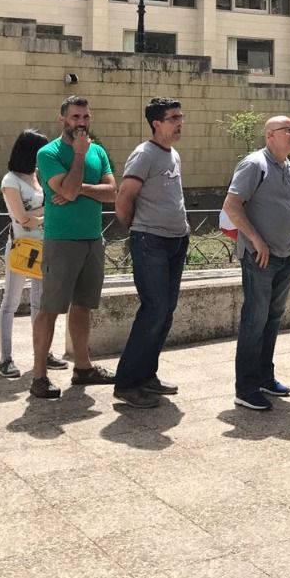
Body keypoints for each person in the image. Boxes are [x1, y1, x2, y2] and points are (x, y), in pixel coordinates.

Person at [30, 96, 117, 400]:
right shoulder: (48, 153)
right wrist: (79, 156)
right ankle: (39, 376)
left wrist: (78, 189)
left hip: (92, 238)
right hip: (61, 241)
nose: (81, 122)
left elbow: (112, 193)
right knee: (50, 309)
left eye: (86, 117)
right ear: (62, 119)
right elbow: (65, 190)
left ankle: (83, 368)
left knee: (83, 306)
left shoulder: (99, 151)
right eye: (75, 117)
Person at [112, 98, 190, 409]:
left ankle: (147, 375)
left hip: (176, 240)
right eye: (173, 118)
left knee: (165, 311)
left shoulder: (173, 154)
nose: (179, 123)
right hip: (150, 241)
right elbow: (124, 196)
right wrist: (137, 229)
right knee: (154, 310)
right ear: (156, 123)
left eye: (180, 117)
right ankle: (127, 383)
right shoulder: (144, 154)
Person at [224, 115, 290, 412]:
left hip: (286, 254)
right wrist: (256, 240)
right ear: (270, 135)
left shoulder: (289, 167)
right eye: (288, 130)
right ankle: (245, 388)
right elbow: (231, 206)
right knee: (255, 320)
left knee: (273, 317)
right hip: (260, 256)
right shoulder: (254, 164)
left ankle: (264, 378)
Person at [0, 129, 67, 379]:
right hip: (22, 248)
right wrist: (46, 213)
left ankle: (42, 353)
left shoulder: (37, 176)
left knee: (40, 303)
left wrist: (37, 216)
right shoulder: (10, 180)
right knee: (11, 302)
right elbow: (21, 218)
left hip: (44, 245)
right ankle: (5, 359)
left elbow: (33, 214)